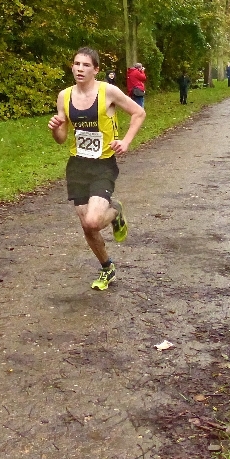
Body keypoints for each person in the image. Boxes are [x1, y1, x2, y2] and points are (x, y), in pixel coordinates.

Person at [49, 47, 146, 291]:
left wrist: (125, 141)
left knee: (93, 221)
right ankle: (107, 267)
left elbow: (139, 112)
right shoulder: (64, 96)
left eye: (85, 65)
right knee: (87, 226)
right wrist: (55, 127)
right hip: (78, 165)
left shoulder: (108, 91)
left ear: (96, 70)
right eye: (76, 64)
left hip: (103, 164)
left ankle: (116, 210)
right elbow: (61, 138)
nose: (79, 69)